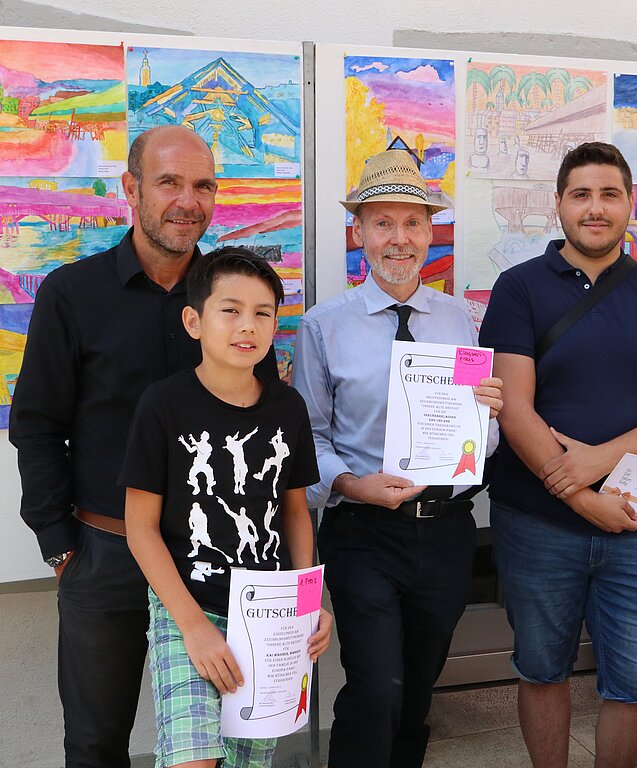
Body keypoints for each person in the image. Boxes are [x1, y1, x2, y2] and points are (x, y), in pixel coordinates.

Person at [9, 125, 277, 768]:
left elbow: (260, 428)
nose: (188, 200)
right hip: (106, 555)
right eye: (169, 182)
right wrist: (59, 546)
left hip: (217, 558)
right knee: (97, 742)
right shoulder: (73, 293)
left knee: (223, 743)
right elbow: (38, 423)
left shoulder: (232, 299)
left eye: (203, 185)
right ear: (130, 189)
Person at [478, 141, 637, 768]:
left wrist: (596, 465)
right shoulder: (518, 288)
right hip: (537, 521)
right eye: (581, 194)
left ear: (629, 204)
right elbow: (514, 407)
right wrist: (579, 495)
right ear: (559, 204)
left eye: (609, 195)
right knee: (542, 670)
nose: (595, 208)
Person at [294, 149, 503, 768]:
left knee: (416, 688)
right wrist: (354, 487)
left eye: (412, 223)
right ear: (359, 232)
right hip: (364, 533)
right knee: (377, 686)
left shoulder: (462, 320)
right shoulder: (322, 326)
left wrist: (484, 418)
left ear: (430, 232)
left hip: (446, 533)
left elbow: (480, 441)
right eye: (382, 223)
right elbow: (309, 439)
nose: (399, 239)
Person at [120, 246, 332, 768]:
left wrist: (310, 602)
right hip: (186, 606)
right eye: (230, 310)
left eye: (263, 313)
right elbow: (140, 526)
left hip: (268, 615)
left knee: (247, 760)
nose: (247, 326)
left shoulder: (287, 407)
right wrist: (192, 625)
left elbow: (295, 512)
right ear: (194, 320)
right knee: (192, 757)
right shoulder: (163, 404)